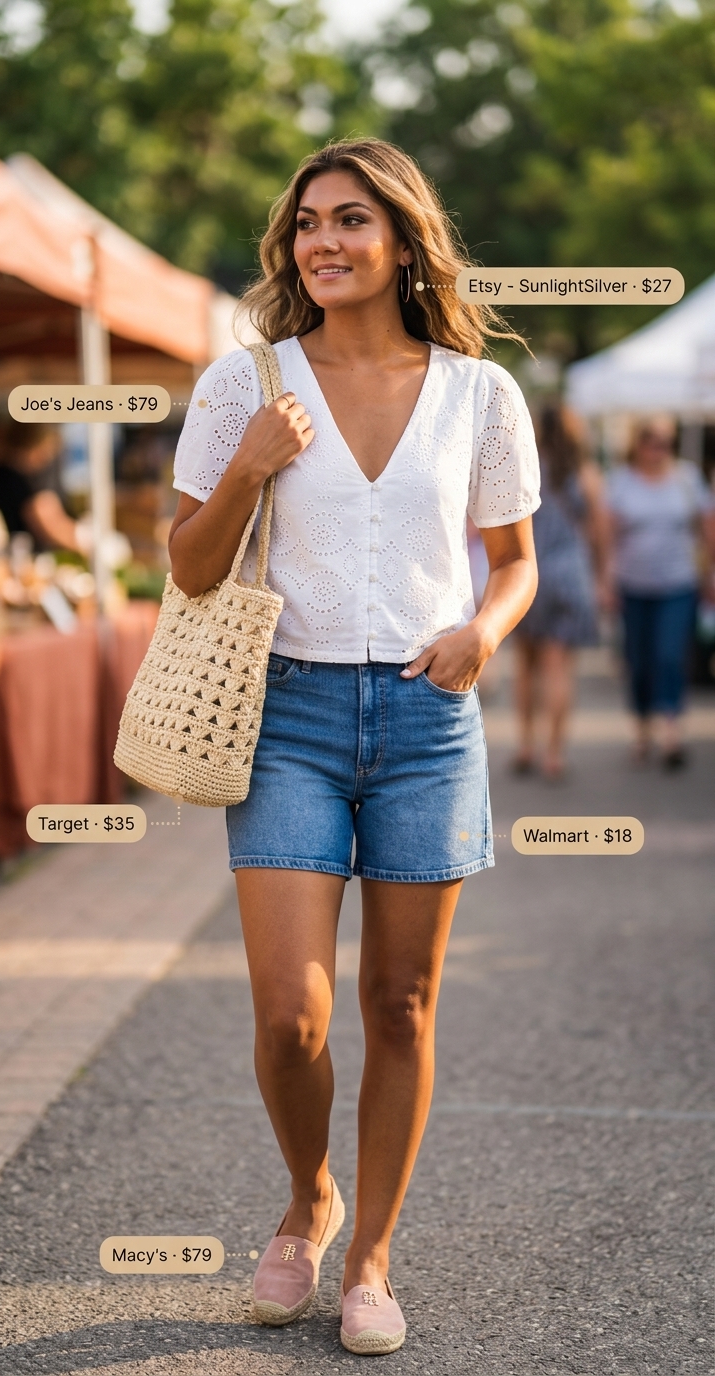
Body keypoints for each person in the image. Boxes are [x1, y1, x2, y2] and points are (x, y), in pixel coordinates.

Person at [168, 138, 540, 1356]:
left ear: (403, 241)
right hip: (288, 716)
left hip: (429, 720)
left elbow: (515, 562)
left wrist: (482, 633)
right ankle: (308, 1196)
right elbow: (189, 563)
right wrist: (249, 466)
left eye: (351, 219)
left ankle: (370, 1254)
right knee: (293, 1014)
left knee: (403, 1001)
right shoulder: (245, 385)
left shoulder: (480, 394)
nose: (322, 240)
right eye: (307, 221)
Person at [606, 416, 715, 768]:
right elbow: (608, 537)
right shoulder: (621, 482)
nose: (659, 450)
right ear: (638, 445)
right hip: (633, 584)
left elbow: (706, 529)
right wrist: (606, 581)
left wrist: (710, 575)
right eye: (652, 442)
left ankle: (671, 730)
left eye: (666, 443)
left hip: (678, 583)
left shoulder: (687, 478)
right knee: (638, 660)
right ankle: (642, 727)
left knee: (670, 655)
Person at [512, 405, 609, 780]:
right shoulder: (584, 474)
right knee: (559, 669)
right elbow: (599, 532)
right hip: (571, 575)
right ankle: (554, 753)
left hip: (529, 574)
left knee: (526, 666)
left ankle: (526, 745)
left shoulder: (525, 469)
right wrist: (602, 577)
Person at [0, 421, 83, 553]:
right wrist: (82, 542)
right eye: (45, 451)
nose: (46, 458)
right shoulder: (6, 476)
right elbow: (40, 514)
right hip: (11, 553)